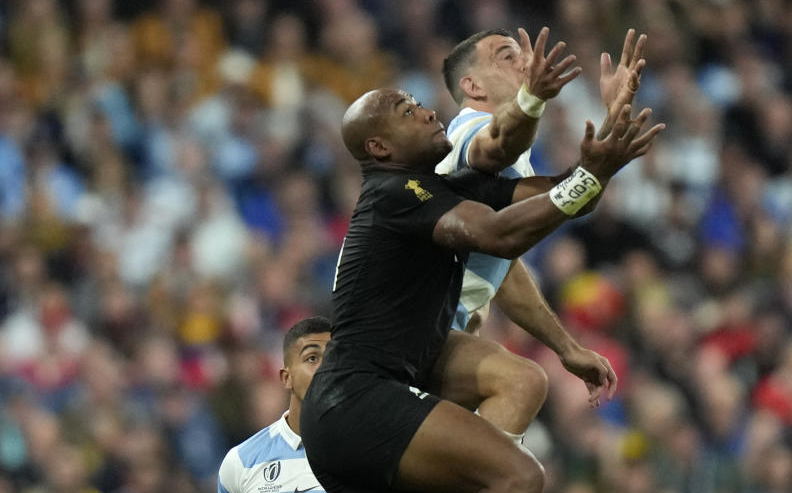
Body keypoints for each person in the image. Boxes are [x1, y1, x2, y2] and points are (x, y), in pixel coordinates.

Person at [300, 87, 663, 493]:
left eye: (419, 104)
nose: (427, 113)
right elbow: (500, 236)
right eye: (408, 112)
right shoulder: (394, 195)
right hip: (355, 402)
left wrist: (599, 166)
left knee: (521, 382)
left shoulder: (439, 190)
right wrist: (586, 179)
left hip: (381, 390)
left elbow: (566, 194)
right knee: (518, 475)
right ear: (379, 147)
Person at [430, 27, 646, 436]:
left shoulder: (508, 175)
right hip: (416, 337)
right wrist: (533, 97)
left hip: (440, 344)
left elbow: (509, 263)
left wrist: (612, 121)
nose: (524, 62)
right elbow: (497, 146)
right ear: (471, 85)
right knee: (522, 389)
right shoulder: (462, 132)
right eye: (505, 56)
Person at [218, 316, 332, 493]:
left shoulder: (371, 453)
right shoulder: (240, 463)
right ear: (287, 378)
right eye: (312, 358)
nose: (326, 368)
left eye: (333, 358)